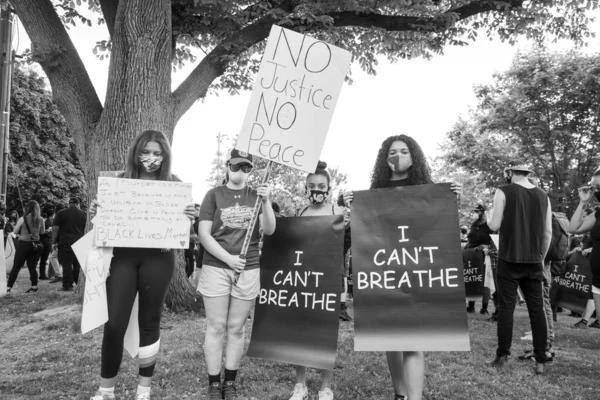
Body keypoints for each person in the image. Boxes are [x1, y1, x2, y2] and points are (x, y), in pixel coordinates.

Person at [341, 134, 461, 400]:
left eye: (404, 151)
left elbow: (439, 228)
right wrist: (349, 205)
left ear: (414, 156)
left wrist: (454, 200)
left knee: (413, 342)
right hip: (385, 276)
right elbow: (364, 233)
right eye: (392, 152)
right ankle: (400, 394)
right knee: (391, 341)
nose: (398, 156)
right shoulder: (374, 193)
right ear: (385, 158)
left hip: (416, 276)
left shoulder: (429, 190)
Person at [88, 130, 197, 400]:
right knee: (115, 323)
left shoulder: (175, 184)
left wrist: (189, 218)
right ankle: (106, 391)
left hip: (158, 258)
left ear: (165, 156)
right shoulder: (119, 182)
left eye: (157, 153)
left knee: (150, 321)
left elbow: (185, 230)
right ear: (135, 153)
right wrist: (96, 213)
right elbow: (101, 226)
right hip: (122, 258)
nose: (151, 158)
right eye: (145, 152)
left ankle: (143, 391)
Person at [197, 149, 275, 400]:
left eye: (246, 168)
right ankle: (213, 384)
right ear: (227, 166)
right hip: (216, 267)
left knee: (236, 328)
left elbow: (269, 230)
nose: (240, 171)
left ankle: (229, 382)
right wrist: (229, 259)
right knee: (216, 326)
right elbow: (204, 235)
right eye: (236, 166)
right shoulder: (213, 195)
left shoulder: (257, 195)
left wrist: (266, 201)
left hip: (249, 267)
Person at [486, 164, 552, 375]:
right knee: (537, 309)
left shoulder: (503, 191)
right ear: (528, 174)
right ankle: (540, 360)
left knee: (506, 308)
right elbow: (548, 232)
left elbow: (494, 225)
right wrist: (541, 258)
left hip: (508, 258)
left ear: (510, 174)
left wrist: (489, 215)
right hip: (534, 260)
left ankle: (502, 355)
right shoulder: (543, 195)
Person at [288, 161, 345, 400]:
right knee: (299, 332)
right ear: (305, 187)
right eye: (311, 186)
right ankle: (300, 386)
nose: (316, 190)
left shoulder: (338, 212)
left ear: (329, 187)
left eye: (321, 186)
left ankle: (325, 387)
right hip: (303, 281)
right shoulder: (300, 213)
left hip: (328, 281)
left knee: (326, 334)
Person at [568, 170, 600, 336]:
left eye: (598, 186)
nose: (595, 191)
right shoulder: (598, 213)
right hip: (597, 281)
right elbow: (574, 228)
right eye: (594, 187)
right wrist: (582, 203)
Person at [6, 200, 45, 294]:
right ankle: (34, 286)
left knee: (16, 266)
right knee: (32, 266)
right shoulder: (40, 219)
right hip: (35, 245)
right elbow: (42, 232)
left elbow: (14, 232)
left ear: (27, 208)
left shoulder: (22, 219)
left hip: (23, 244)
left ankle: (8, 288)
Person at [52, 197, 87, 292]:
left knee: (66, 264)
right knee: (77, 264)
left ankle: (67, 285)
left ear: (69, 204)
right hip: (80, 242)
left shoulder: (61, 213)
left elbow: (55, 228)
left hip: (65, 242)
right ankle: (78, 282)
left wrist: (53, 242)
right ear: (78, 204)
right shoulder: (84, 214)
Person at [465, 204, 494, 315]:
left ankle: (484, 307)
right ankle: (470, 306)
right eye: (474, 211)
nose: (475, 213)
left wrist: (486, 247)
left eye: (477, 211)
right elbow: (470, 239)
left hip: (483, 255)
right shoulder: (473, 224)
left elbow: (492, 242)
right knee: (472, 279)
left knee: (484, 281)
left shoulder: (489, 226)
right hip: (471, 254)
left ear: (483, 212)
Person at [38, 203, 56, 280]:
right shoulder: (42, 218)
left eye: (52, 209)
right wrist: (47, 231)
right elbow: (39, 230)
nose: (51, 210)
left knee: (44, 259)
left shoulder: (50, 218)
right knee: (41, 259)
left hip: (48, 240)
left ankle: (43, 274)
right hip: (42, 240)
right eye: (50, 209)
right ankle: (42, 275)